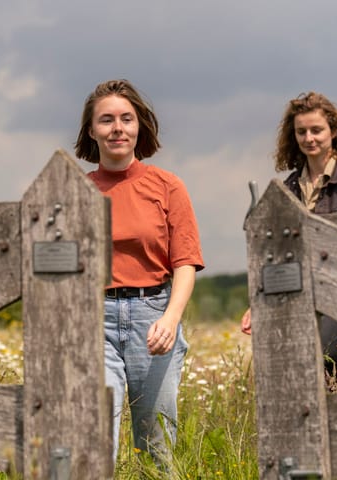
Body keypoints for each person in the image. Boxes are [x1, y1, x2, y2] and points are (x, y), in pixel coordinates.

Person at [74, 79, 205, 466]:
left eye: (126, 119)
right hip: (95, 318)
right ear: (91, 131)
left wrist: (171, 318)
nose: (117, 128)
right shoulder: (77, 191)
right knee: (97, 433)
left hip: (154, 317)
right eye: (107, 120)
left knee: (156, 444)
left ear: (139, 127)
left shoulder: (167, 186)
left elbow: (185, 262)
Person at [241, 91, 337, 392]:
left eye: (316, 130)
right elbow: (281, 256)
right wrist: (257, 302)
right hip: (313, 301)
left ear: (333, 131)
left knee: (315, 351)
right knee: (326, 376)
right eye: (301, 131)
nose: (309, 138)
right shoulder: (289, 189)